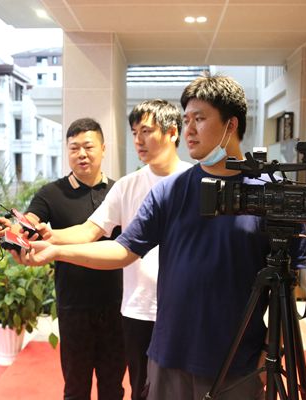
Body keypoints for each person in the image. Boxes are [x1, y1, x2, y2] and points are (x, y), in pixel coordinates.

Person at [13, 74, 306, 400]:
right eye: (187, 119)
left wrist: (271, 351)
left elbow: (288, 285)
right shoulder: (171, 191)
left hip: (237, 363)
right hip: (169, 357)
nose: (189, 130)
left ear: (231, 124)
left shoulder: (270, 195)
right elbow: (122, 250)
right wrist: (55, 251)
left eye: (200, 119)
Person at [39, 100, 192, 399]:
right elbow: (90, 230)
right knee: (140, 390)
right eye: (134, 132)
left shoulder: (196, 181)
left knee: (183, 391)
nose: (138, 140)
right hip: (138, 309)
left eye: (146, 131)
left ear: (172, 132)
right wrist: (50, 239)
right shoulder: (127, 185)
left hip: (183, 309)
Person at [25, 118, 125, 400]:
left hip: (117, 305)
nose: (82, 154)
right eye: (74, 148)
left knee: (113, 388)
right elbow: (30, 221)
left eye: (88, 147)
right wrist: (17, 228)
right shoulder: (51, 193)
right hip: (74, 306)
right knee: (76, 388)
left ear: (103, 149)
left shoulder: (118, 191)